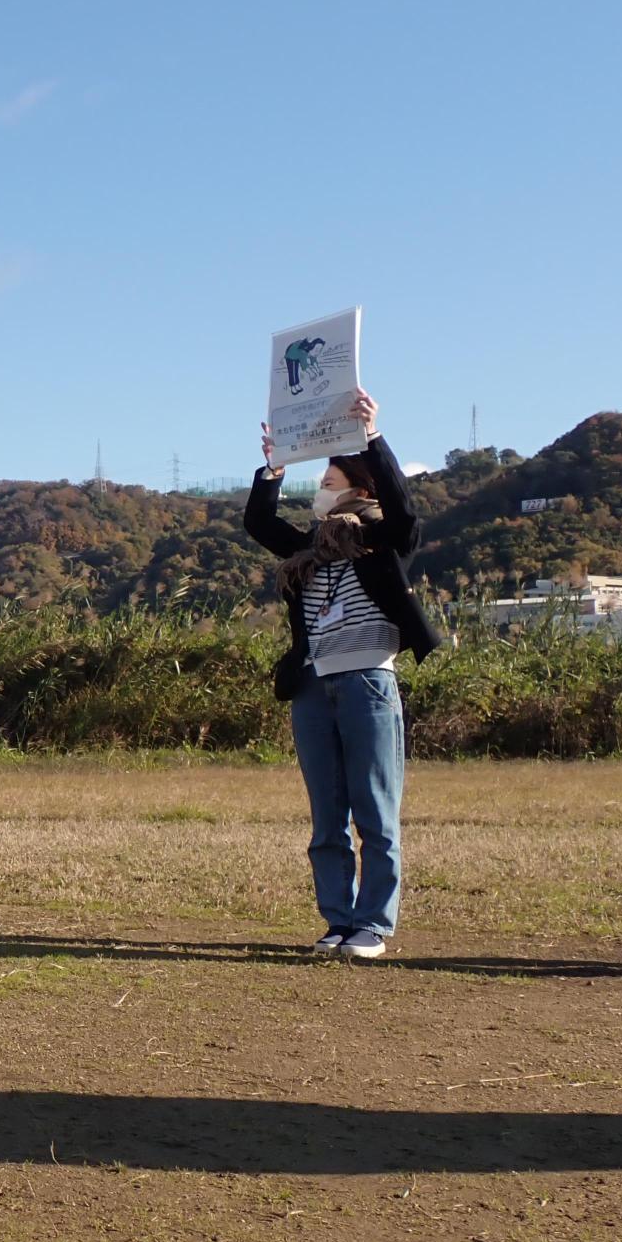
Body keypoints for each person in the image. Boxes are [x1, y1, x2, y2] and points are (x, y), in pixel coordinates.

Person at [244, 390, 442, 959]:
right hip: (311, 687)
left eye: (328, 480)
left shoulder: (383, 543)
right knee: (326, 816)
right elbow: (259, 520)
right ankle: (337, 921)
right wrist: (272, 469)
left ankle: (373, 926)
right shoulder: (309, 549)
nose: (320, 490)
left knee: (376, 813)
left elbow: (405, 512)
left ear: (357, 488)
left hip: (367, 683)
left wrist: (372, 438)